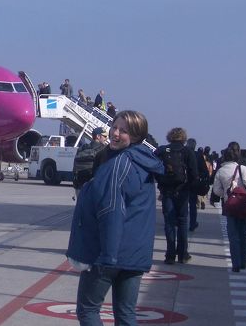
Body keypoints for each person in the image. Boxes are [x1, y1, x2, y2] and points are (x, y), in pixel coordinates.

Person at [66, 110, 164, 325]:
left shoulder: (119, 164)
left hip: (111, 252)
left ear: (136, 136)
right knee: (126, 313)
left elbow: (111, 210)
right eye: (114, 127)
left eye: (123, 131)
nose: (115, 133)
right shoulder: (143, 163)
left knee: (88, 310)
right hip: (135, 253)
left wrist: (108, 256)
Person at [155, 128, 198, 264]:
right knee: (182, 222)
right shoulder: (187, 151)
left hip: (167, 191)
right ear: (184, 138)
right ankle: (183, 254)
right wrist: (189, 187)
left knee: (169, 223)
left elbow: (155, 169)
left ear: (169, 137)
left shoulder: (162, 150)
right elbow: (194, 173)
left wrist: (161, 185)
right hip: (183, 191)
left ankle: (170, 255)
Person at [212, 141, 246, 272]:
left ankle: (236, 263)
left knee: (233, 235)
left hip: (229, 205)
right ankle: (244, 261)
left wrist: (226, 193)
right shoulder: (242, 168)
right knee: (242, 233)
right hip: (243, 205)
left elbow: (216, 191)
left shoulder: (221, 171)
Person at [72, 127, 108, 196]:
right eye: (105, 136)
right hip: (95, 187)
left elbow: (75, 167)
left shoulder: (82, 148)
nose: (106, 138)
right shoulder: (104, 150)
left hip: (79, 186)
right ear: (98, 136)